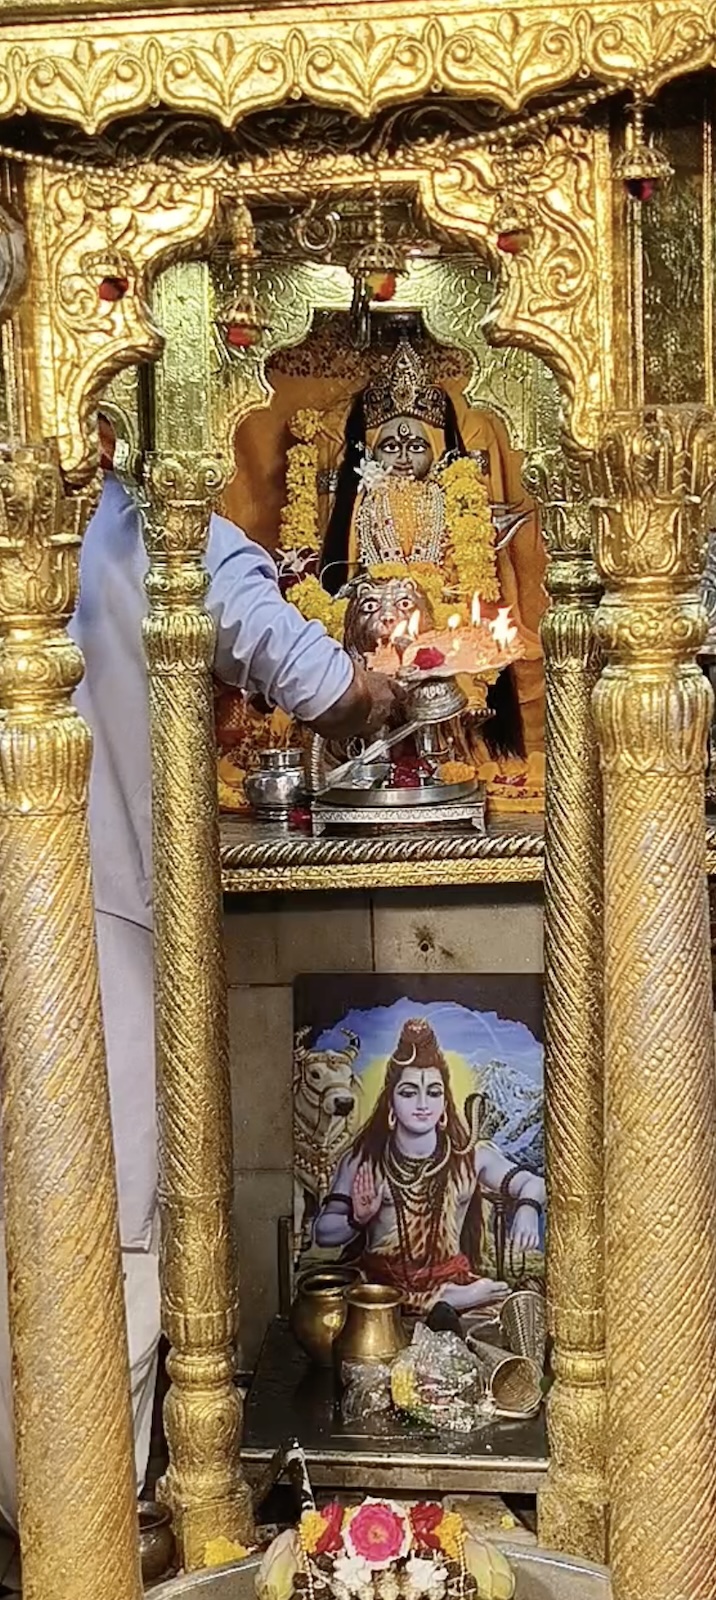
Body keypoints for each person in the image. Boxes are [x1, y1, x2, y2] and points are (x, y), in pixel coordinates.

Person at [0, 425, 403, 1534]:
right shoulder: (131, 520)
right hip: (90, 907)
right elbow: (313, 676)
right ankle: (80, 1524)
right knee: (109, 1224)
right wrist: (373, 691)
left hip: (81, 897)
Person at [314, 1016, 545, 1314]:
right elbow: (323, 1232)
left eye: (433, 1093)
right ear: (391, 1103)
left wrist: (527, 1207)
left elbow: (533, 1182)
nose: (423, 1104)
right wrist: (357, 1219)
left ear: (445, 1102)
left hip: (457, 1283)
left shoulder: (471, 1156)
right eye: (409, 1093)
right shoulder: (364, 1159)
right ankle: (442, 1301)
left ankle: (447, 1299)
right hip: (383, 1294)